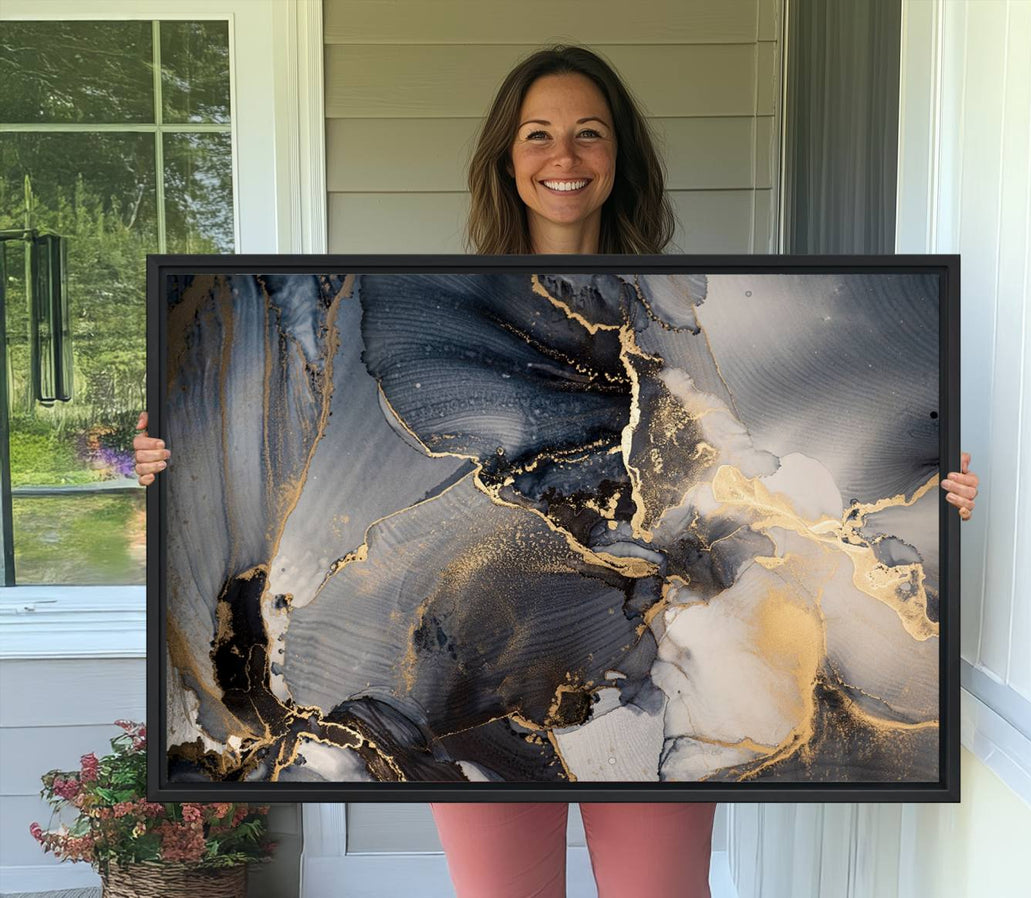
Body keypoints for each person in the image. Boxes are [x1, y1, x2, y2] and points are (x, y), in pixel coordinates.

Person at [133, 45, 980, 898]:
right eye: (538, 135)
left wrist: (923, 507)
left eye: (588, 134)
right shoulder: (432, 303)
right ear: (508, 157)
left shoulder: (688, 312)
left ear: (619, 159)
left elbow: (773, 472)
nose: (563, 157)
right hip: (469, 673)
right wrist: (173, 463)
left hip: (661, 666)